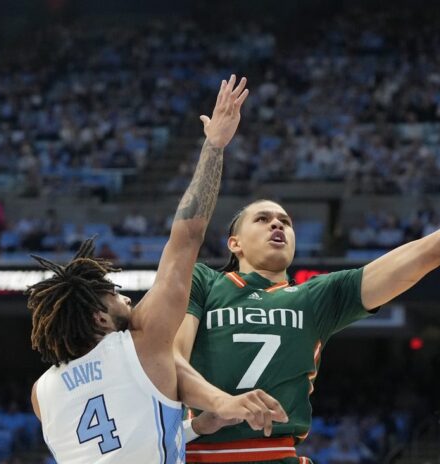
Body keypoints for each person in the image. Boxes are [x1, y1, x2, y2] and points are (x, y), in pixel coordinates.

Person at [175, 140, 440, 462]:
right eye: (263, 219)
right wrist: (218, 406)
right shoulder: (205, 282)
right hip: (196, 450)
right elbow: (171, 361)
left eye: (285, 220)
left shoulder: (317, 296)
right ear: (234, 243)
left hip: (275, 453)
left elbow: (430, 251)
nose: (277, 225)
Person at [29, 75, 287, 463]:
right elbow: (186, 236)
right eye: (115, 296)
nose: (127, 299)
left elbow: (118, 436)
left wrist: (197, 427)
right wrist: (214, 146)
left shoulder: (41, 393)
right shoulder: (142, 343)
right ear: (100, 318)